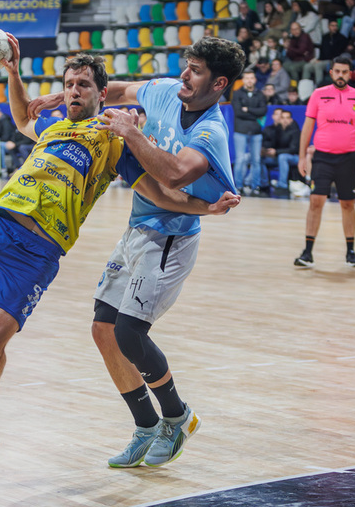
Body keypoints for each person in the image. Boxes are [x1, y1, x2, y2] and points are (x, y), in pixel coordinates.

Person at [0, 33, 239, 465]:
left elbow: (167, 185)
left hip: (43, 250)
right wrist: (15, 73)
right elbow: (21, 117)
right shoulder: (60, 125)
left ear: (99, 94)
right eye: (69, 83)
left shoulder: (115, 138)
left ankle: (175, 416)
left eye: (83, 84)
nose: (73, 89)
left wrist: (205, 208)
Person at [80, 37, 246, 468]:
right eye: (186, 65)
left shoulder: (210, 131)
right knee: (103, 329)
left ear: (219, 82)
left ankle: (177, 416)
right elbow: (118, 92)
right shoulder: (167, 91)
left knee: (129, 333)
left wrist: (131, 132)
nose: (184, 76)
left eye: (195, 70)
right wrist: (60, 95)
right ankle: (145, 425)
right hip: (137, 228)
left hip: (172, 236)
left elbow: (173, 174)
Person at [294, 55, 355, 269]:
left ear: (350, 73)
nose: (341, 75)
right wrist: (302, 157)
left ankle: (351, 251)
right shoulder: (319, 95)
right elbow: (307, 128)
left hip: (348, 158)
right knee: (315, 201)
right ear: (331, 73)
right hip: (322, 158)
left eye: (345, 72)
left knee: (348, 204)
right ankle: (307, 252)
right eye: (337, 71)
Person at [232, 69, 268, 194]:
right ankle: (238, 186)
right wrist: (254, 113)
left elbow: (263, 111)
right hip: (240, 131)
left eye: (251, 78)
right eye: (247, 78)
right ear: (243, 80)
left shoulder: (260, 94)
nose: (249, 80)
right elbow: (238, 112)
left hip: (256, 132)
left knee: (256, 160)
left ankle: (255, 186)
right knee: (240, 160)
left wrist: (247, 109)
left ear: (255, 79)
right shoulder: (237, 93)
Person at [262, 108, 301, 192]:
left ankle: (282, 186)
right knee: (261, 158)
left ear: (291, 120)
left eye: (287, 118)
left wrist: (276, 152)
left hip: (295, 157)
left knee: (283, 157)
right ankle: (263, 184)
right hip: (279, 156)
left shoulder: (295, 130)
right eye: (283, 118)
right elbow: (273, 144)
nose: (285, 120)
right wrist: (267, 151)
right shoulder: (277, 130)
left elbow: (293, 149)